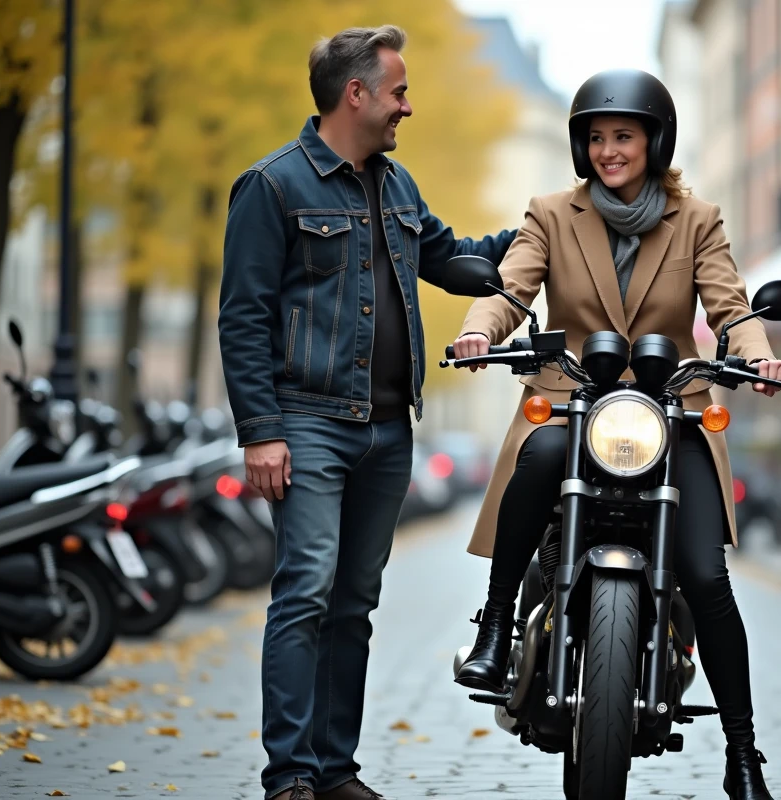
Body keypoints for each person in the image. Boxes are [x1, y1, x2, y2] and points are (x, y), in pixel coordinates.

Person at [450, 69, 781, 800]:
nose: (610, 150)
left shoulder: (697, 218)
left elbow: (730, 309)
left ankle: (742, 754)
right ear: (582, 146)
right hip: (575, 401)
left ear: (654, 142)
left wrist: (757, 354)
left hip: (671, 411)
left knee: (706, 575)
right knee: (536, 456)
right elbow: (510, 291)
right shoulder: (549, 213)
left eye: (624, 136)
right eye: (597, 137)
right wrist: (479, 332)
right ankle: (497, 624)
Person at [217, 25, 515, 800]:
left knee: (353, 603)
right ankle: (289, 777)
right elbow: (242, 317)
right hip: (307, 421)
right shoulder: (273, 185)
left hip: (388, 430)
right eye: (398, 91)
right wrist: (262, 432)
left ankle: (333, 769)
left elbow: (454, 261)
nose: (407, 107)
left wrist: (547, 230)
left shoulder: (398, 186)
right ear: (357, 94)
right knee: (306, 590)